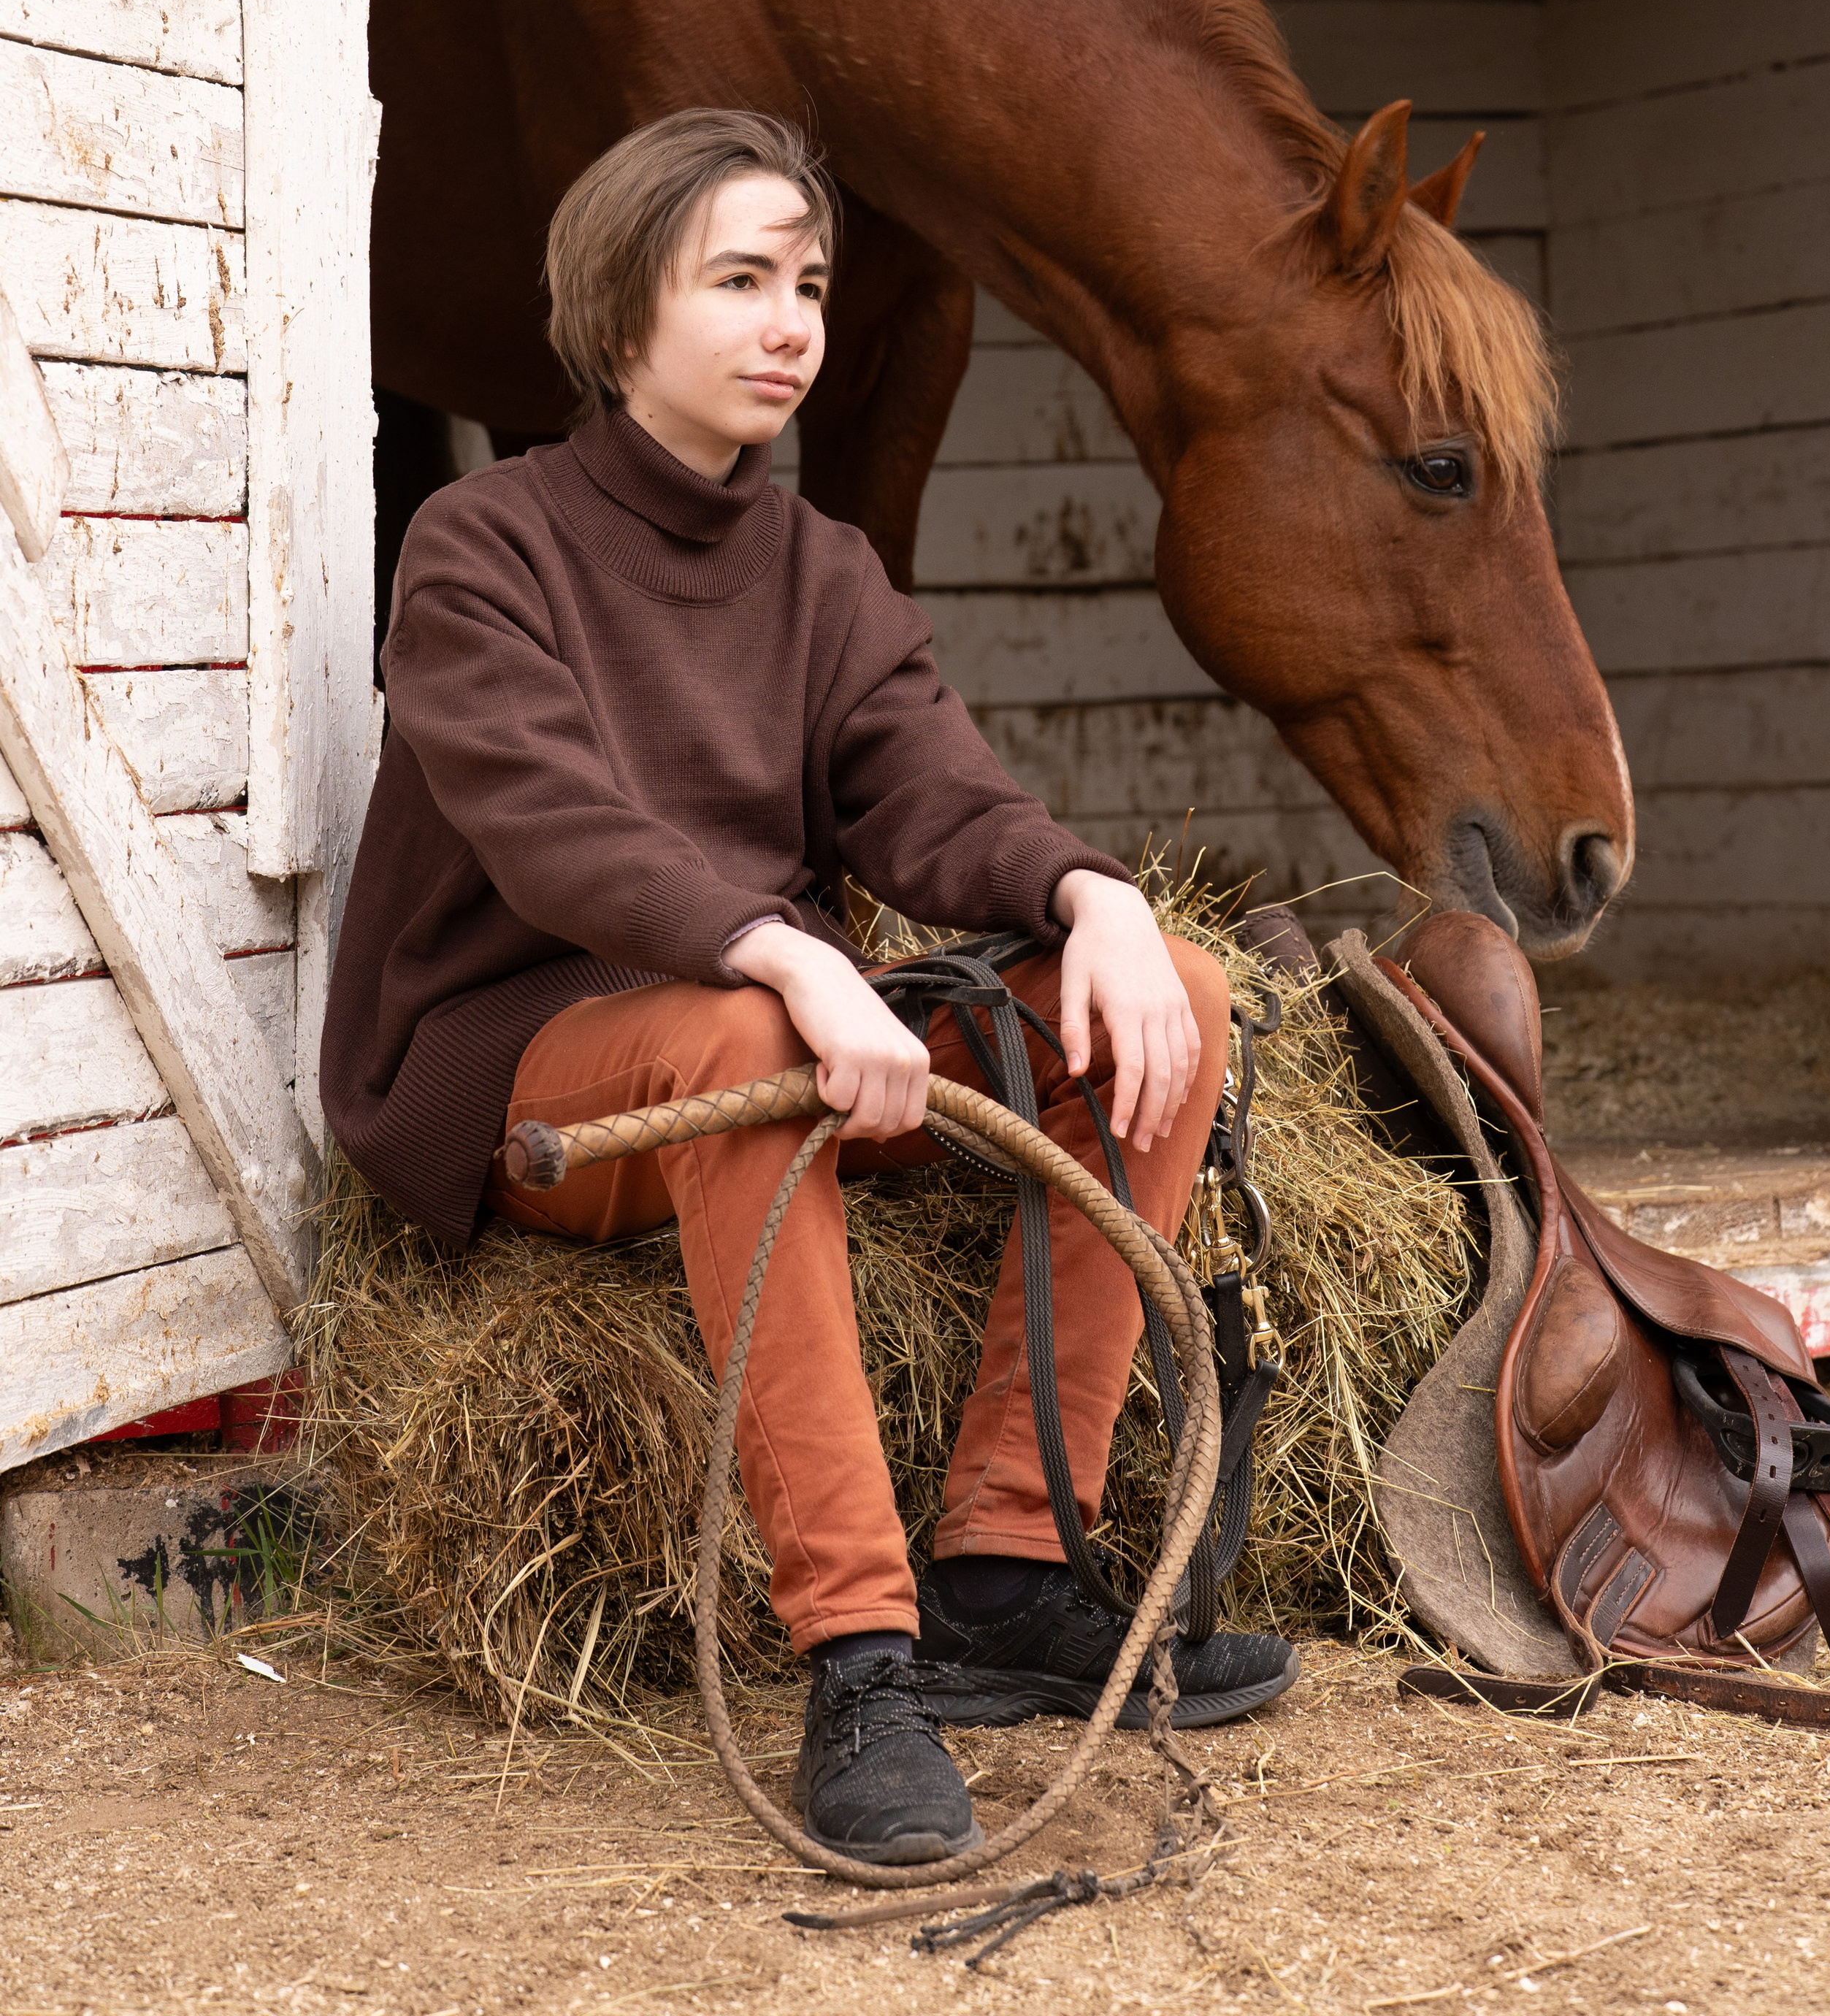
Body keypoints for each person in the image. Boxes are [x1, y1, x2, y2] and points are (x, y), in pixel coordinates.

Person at [321, 108, 1296, 1865]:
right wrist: (793, 957)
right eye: (742, 282)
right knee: (751, 1034)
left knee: (1181, 1000)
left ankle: (1005, 1565)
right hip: (530, 1064)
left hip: (772, 1024)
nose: (791, 324)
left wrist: (1100, 901)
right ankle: (859, 1656)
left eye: (810, 286)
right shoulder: (483, 544)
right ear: (624, 316)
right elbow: (562, 838)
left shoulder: (820, 568)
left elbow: (929, 792)